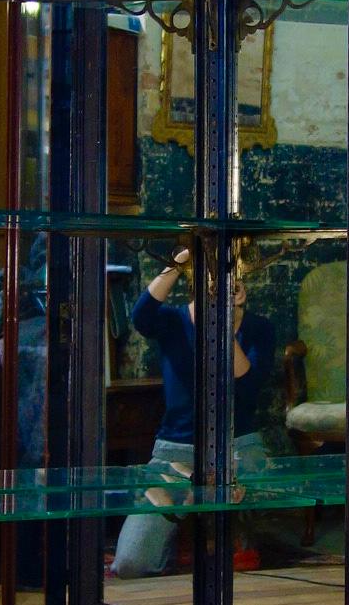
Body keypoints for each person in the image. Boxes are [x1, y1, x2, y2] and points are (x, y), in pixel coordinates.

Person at [109, 248, 274, 579]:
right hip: (176, 452)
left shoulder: (259, 328)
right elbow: (141, 315)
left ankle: (214, 535)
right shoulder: (172, 320)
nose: (218, 285)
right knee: (130, 562)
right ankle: (180, 538)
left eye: (227, 278)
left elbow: (248, 387)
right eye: (210, 276)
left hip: (237, 448)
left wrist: (224, 323)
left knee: (240, 555)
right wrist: (180, 261)